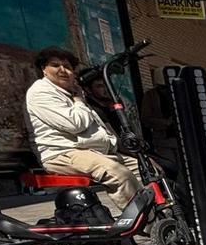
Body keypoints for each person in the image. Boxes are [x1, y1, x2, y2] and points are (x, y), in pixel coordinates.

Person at [25, 46, 142, 212]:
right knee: (117, 173)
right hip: (63, 154)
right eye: (55, 65)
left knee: (143, 169)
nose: (62, 70)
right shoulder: (41, 92)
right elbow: (74, 124)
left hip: (91, 152)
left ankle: (160, 215)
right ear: (44, 69)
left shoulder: (69, 91)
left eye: (67, 67)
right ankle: (145, 222)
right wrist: (79, 101)